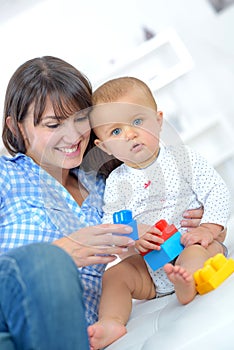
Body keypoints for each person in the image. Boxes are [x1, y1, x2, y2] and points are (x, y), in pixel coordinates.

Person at [0, 57, 203, 349]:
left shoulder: (105, 185)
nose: (72, 136)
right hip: (11, 319)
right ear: (17, 128)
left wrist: (189, 218)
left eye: (80, 119)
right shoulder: (6, 176)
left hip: (74, 335)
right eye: (53, 124)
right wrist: (62, 252)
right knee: (47, 263)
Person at [88, 76, 230, 349]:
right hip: (151, 269)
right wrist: (133, 239)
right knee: (115, 275)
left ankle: (187, 284)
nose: (129, 134)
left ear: (159, 121)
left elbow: (217, 192)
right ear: (104, 147)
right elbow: (112, 224)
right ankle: (111, 320)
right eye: (116, 132)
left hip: (194, 246)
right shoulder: (116, 183)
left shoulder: (183, 159)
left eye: (137, 122)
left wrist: (207, 228)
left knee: (196, 250)